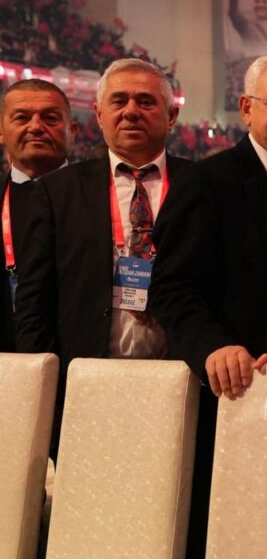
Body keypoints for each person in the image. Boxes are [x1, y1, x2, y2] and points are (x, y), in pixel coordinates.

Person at [149, 53, 267, 559]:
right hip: (233, 390)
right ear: (246, 108)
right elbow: (173, 288)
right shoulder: (207, 181)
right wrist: (211, 348)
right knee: (224, 540)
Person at [16, 58, 188, 363]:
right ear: (98, 114)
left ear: (171, 116)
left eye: (146, 101)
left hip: (184, 371)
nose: (131, 111)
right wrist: (45, 377)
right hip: (83, 374)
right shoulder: (58, 191)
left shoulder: (204, 184)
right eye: (119, 101)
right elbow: (34, 300)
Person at [0, 79, 71, 353]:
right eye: (22, 117)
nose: (36, 127)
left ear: (73, 130)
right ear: (2, 131)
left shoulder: (101, 196)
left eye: (50, 118)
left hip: (80, 364)